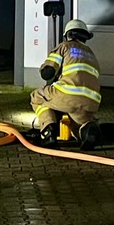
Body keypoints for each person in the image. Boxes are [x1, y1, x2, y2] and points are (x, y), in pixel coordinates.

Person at [30, 18, 102, 149]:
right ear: (85, 37)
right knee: (77, 121)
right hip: (91, 102)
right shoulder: (91, 54)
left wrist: (47, 66)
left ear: (68, 35)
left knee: (37, 97)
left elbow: (48, 73)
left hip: (67, 94)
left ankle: (48, 131)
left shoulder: (64, 47)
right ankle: (85, 131)